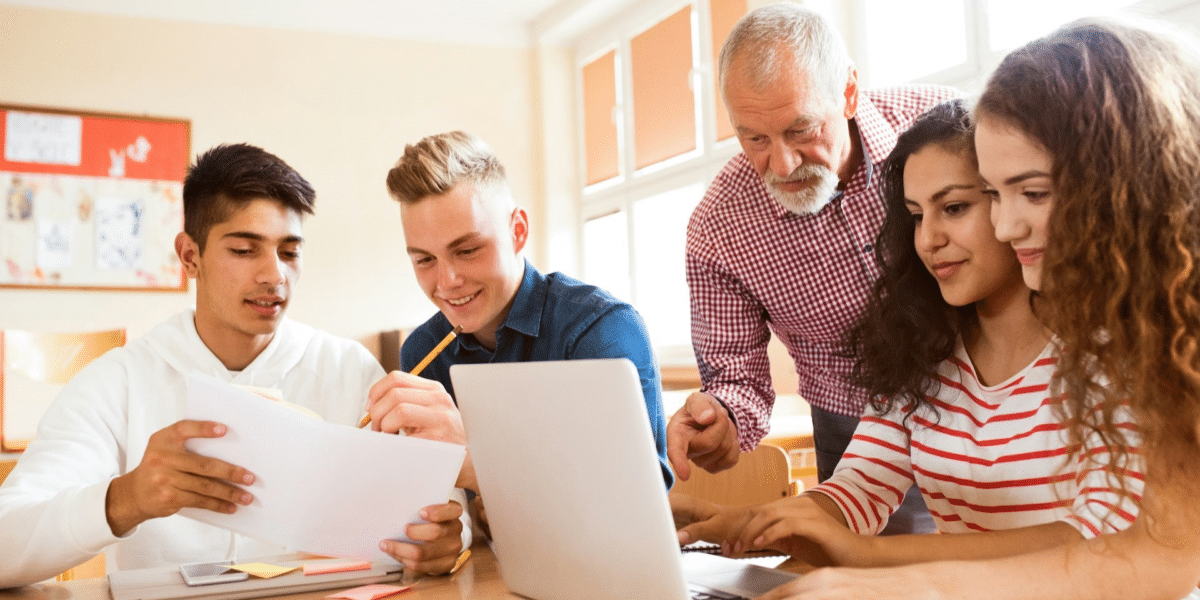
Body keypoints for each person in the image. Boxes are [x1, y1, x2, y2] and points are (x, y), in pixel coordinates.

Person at [756, 18, 1200, 600]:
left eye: (1032, 193)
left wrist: (891, 569)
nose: (1006, 225)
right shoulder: (1153, 326)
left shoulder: (1144, 338)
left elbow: (1139, 555)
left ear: (1127, 183)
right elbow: (1158, 555)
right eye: (994, 194)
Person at [672, 98, 1142, 569]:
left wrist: (871, 554)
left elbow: (1104, 532)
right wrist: (740, 523)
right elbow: (859, 490)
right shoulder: (921, 351)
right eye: (917, 215)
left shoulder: (1114, 350)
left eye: (954, 208)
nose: (928, 240)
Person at [0, 143, 467, 588]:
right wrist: (127, 498)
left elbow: (446, 517)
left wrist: (445, 539)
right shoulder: (117, 381)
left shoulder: (348, 369)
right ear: (190, 256)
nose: (273, 275)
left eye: (289, 252)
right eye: (243, 250)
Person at [670, 1, 957, 533]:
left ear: (848, 92)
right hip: (854, 428)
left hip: (982, 406)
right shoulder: (718, 228)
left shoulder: (946, 134)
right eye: (754, 138)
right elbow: (735, 374)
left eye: (801, 130)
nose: (781, 164)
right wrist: (723, 421)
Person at [364, 130, 670, 493]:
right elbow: (448, 512)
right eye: (424, 259)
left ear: (518, 231)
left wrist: (475, 464)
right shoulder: (421, 352)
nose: (446, 281)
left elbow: (632, 495)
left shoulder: (602, 329)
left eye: (467, 250)